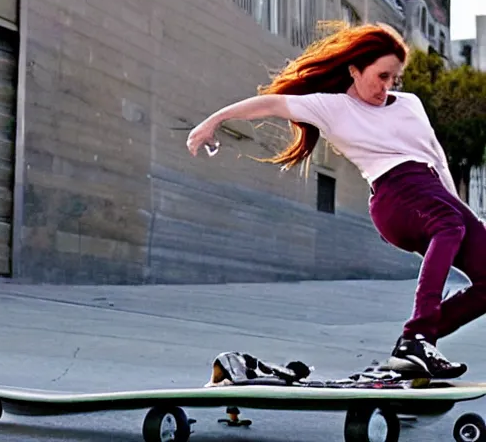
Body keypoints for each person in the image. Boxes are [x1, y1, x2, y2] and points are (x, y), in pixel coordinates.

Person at [186, 22, 485, 379]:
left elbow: (436, 157)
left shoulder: (411, 104)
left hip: (434, 193)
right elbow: (269, 105)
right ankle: (417, 337)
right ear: (355, 70)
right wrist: (212, 122)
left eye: (394, 79)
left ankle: (417, 347)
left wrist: (460, 210)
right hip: (395, 193)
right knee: (447, 224)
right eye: (381, 76)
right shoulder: (331, 107)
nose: (386, 87)